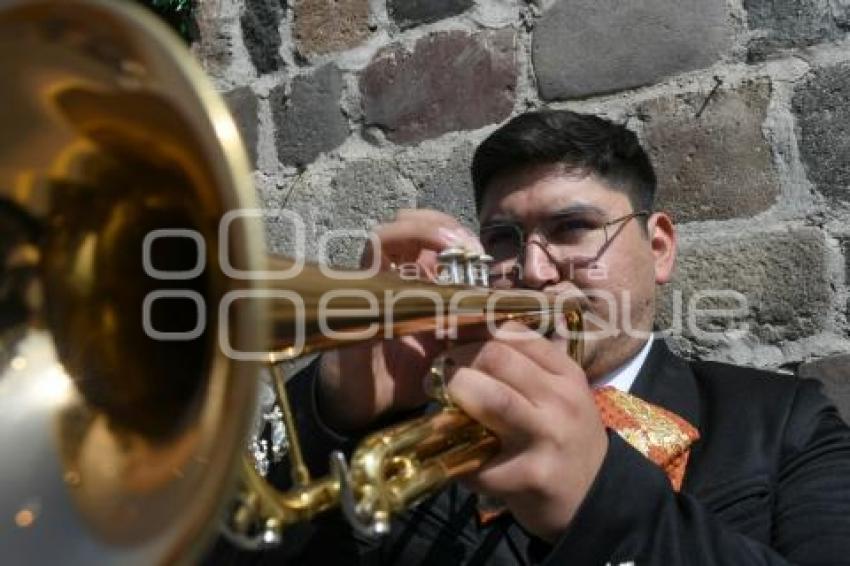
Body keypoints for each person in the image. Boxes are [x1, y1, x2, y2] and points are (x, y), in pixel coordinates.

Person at [208, 110, 850, 565]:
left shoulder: (785, 423)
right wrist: (332, 415)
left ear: (657, 247)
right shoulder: (412, 425)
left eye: (572, 228)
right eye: (502, 240)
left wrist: (603, 504)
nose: (535, 271)